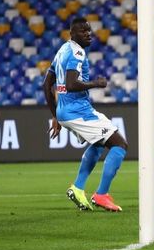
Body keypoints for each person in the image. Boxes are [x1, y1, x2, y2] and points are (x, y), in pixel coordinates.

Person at [42, 17, 128, 212]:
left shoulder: (62, 50)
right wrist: (96, 84)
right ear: (72, 34)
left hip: (67, 111)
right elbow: (72, 84)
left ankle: (78, 188)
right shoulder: (77, 53)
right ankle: (101, 194)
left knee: (98, 145)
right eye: (83, 31)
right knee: (120, 144)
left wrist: (56, 115)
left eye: (89, 31)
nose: (88, 34)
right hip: (78, 110)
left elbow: (46, 84)